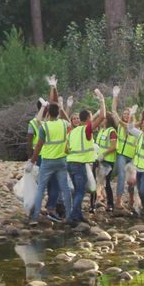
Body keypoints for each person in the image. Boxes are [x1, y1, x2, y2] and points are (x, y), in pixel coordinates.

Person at [27, 78, 73, 226]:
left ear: (48, 113)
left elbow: (38, 146)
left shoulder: (44, 127)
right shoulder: (64, 124)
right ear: (58, 112)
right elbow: (65, 115)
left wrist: (32, 161)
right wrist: (54, 88)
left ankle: (35, 216)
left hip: (47, 161)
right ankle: (56, 211)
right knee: (61, 187)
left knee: (41, 187)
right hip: (61, 161)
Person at [65, 89, 107, 226]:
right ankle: (72, 217)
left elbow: (66, 149)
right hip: (79, 164)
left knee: (77, 191)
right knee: (80, 192)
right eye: (91, 119)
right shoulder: (86, 129)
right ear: (88, 120)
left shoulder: (73, 131)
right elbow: (102, 117)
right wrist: (102, 100)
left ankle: (78, 216)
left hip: (70, 163)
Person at [111, 87, 138, 211]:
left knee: (132, 180)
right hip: (121, 155)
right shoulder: (120, 125)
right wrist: (115, 96)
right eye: (125, 114)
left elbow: (133, 125)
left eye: (129, 114)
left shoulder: (135, 128)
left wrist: (133, 115)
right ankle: (118, 200)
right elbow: (113, 111)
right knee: (121, 175)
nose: (126, 116)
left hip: (132, 157)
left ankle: (132, 199)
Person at [92, 111, 119, 212]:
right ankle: (95, 202)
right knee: (96, 181)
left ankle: (110, 203)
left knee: (106, 182)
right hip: (98, 159)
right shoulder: (101, 131)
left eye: (103, 118)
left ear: (107, 120)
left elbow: (114, 146)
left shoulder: (111, 131)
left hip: (107, 161)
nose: (101, 120)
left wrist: (104, 154)